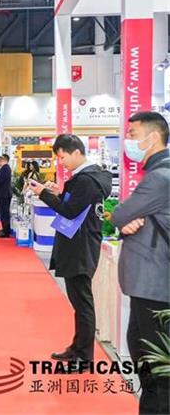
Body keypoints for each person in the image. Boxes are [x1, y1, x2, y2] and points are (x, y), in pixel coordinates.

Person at [30, 134, 111, 373]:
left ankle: (84, 357)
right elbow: (75, 205)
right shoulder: (87, 178)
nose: (61, 162)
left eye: (63, 157)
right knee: (78, 302)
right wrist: (58, 193)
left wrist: (44, 194)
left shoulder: (87, 180)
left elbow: (69, 210)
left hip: (80, 247)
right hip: (79, 244)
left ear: (76, 152)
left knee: (83, 304)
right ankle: (77, 348)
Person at [110, 112, 170, 414]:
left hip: (155, 283)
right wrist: (129, 221)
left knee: (155, 365)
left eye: (133, 134)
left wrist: (126, 219)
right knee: (142, 351)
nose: (128, 140)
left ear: (153, 137)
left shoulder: (160, 177)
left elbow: (120, 214)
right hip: (151, 283)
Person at [0, 154, 13, 238]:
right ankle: (4, 229)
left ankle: (6, 231)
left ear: (3, 160)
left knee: (4, 213)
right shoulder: (4, 168)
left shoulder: (5, 169)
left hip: (4, 194)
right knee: (3, 212)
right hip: (3, 194)